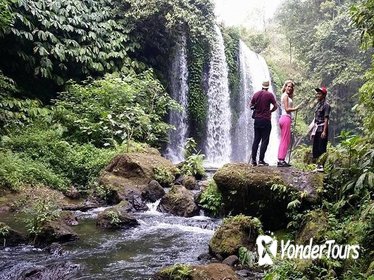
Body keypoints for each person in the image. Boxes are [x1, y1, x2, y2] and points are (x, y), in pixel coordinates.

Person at [250, 80, 278, 166]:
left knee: (256, 140)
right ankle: (261, 160)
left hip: (257, 120)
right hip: (266, 120)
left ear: (262, 86)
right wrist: (270, 111)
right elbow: (276, 106)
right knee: (264, 140)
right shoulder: (269, 95)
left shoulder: (256, 94)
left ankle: (253, 160)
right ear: (268, 86)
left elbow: (251, 105)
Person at [277, 80, 301, 167]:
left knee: (284, 139)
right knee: (285, 140)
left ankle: (281, 159)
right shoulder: (286, 95)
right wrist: (296, 108)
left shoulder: (284, 95)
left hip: (284, 118)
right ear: (285, 86)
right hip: (285, 118)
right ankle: (281, 160)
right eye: (288, 86)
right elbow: (287, 109)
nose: (290, 88)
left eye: (291, 87)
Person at [310, 86, 331, 172]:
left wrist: (324, 131)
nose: (317, 95)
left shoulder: (326, 106)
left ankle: (321, 166)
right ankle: (317, 165)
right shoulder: (318, 105)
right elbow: (315, 119)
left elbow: (326, 119)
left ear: (324, 95)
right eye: (317, 93)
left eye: (319, 93)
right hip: (316, 128)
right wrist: (312, 131)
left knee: (321, 147)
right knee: (315, 147)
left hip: (322, 128)